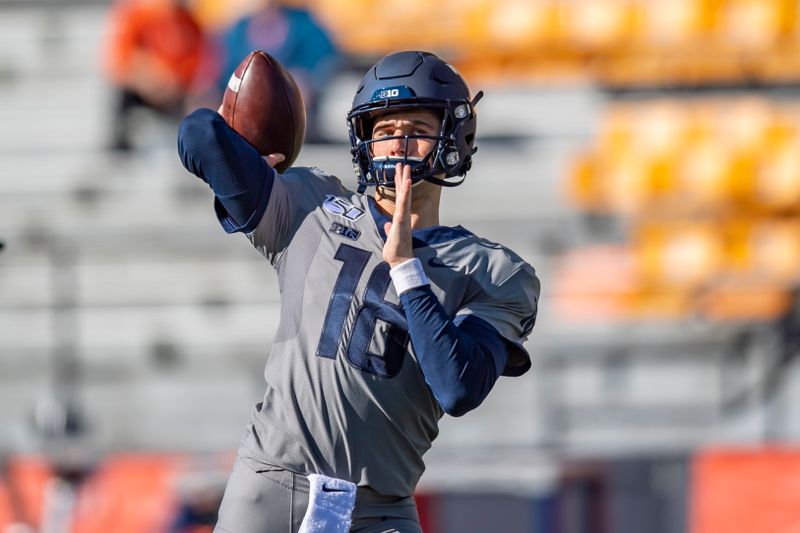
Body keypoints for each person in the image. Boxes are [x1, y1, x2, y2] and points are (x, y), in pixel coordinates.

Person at [177, 50, 540, 532]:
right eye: (384, 132)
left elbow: (456, 386)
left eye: (415, 127)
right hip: (271, 486)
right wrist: (236, 132)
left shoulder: (491, 270)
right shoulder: (312, 204)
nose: (398, 144)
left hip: (379, 509)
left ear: (454, 136)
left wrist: (408, 270)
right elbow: (199, 135)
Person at [215, 0, 340, 143]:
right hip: (245, 118)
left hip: (298, 115)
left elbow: (323, 60)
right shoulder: (237, 33)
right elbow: (224, 76)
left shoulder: (305, 25)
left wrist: (304, 79)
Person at [104, 0, 209, 152]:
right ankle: (122, 144)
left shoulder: (188, 21)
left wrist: (174, 80)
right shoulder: (138, 17)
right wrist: (149, 77)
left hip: (177, 92)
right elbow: (120, 60)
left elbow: (199, 60)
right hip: (142, 89)